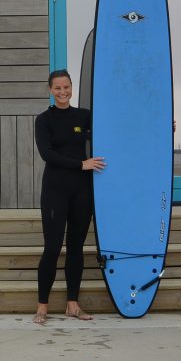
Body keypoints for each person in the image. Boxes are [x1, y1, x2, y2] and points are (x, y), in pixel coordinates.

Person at [32, 69, 105, 325]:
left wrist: (162, 126)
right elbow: (47, 154)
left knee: (76, 248)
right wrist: (81, 165)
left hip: (82, 192)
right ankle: (42, 306)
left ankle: (72, 304)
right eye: (57, 88)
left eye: (66, 87)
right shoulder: (43, 120)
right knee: (52, 248)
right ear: (50, 90)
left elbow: (116, 128)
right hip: (55, 191)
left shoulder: (84, 116)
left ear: (72, 87)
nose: (63, 92)